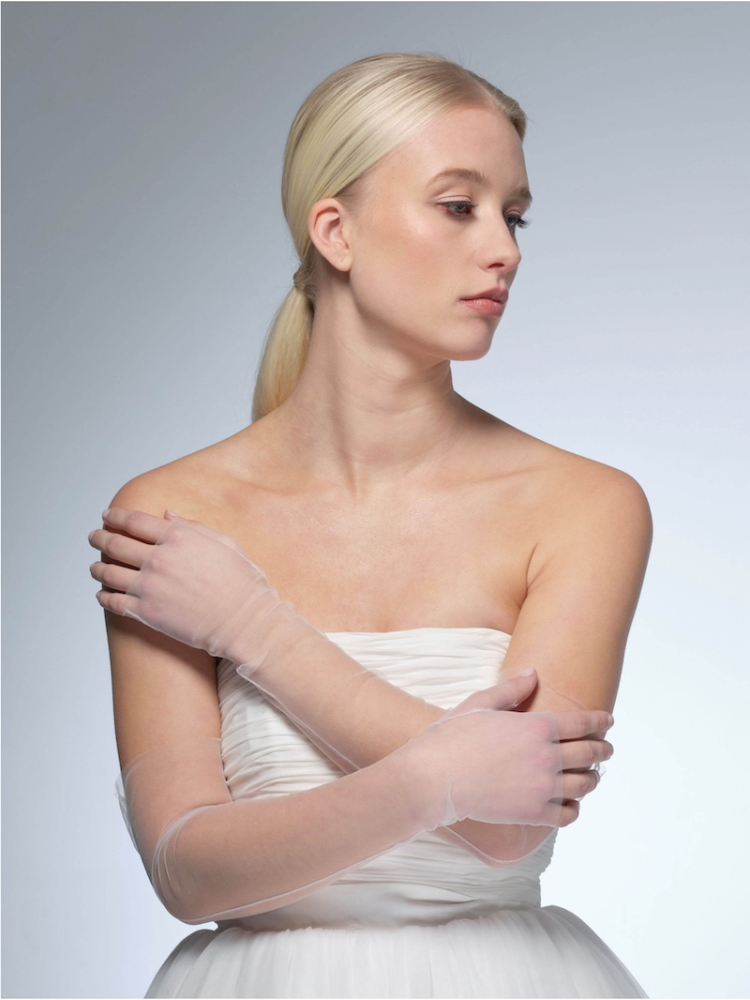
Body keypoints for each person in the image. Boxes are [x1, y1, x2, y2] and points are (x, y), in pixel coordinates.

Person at [88, 53, 652, 998]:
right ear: (336, 232)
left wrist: (254, 630)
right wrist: (443, 775)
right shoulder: (172, 515)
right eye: (459, 206)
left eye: (513, 215)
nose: (506, 250)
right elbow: (186, 872)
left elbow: (508, 826)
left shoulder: (586, 505)